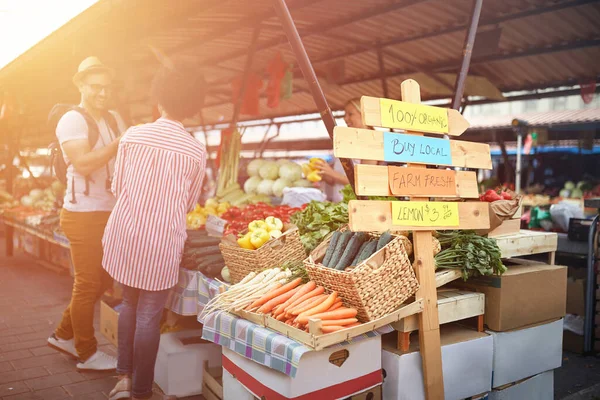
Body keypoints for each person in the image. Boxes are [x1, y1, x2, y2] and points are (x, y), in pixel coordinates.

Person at [105, 61, 207, 400]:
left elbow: (117, 187)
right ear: (193, 104)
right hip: (162, 240)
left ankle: (123, 379)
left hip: (125, 232)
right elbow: (190, 204)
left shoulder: (131, 136)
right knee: (149, 314)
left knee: (129, 305)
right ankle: (142, 392)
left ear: (159, 98)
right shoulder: (195, 150)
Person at [48, 56, 126, 371]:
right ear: (80, 84)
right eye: (96, 87)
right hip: (82, 214)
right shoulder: (71, 119)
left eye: (107, 87)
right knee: (87, 283)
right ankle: (86, 352)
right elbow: (82, 163)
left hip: (108, 212)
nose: (103, 94)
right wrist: (120, 142)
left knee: (101, 280)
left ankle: (64, 334)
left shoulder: (114, 117)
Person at [316, 98, 377, 202]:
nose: (345, 118)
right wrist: (323, 173)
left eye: (350, 114)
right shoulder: (347, 141)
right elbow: (336, 179)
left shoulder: (372, 141)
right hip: (340, 206)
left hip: (357, 206)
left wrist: (331, 173)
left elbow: (364, 183)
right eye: (345, 114)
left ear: (364, 115)